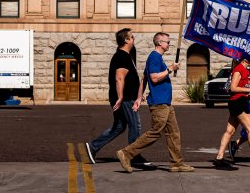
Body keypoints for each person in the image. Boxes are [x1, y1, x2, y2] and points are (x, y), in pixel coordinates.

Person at [115, 32, 195, 173]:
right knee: (155, 132)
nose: (169, 44)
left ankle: (176, 163)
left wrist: (139, 97)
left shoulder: (157, 58)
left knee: (173, 133)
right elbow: (153, 78)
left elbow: (144, 78)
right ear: (159, 43)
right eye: (167, 42)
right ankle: (126, 153)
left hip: (166, 103)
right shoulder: (154, 57)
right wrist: (170, 69)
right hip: (159, 103)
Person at [84, 28, 151, 168]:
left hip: (127, 97)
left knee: (119, 127)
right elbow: (119, 78)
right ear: (126, 40)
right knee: (135, 125)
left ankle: (92, 147)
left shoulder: (125, 56)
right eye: (132, 36)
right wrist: (120, 97)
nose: (134, 38)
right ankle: (133, 156)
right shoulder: (122, 56)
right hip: (126, 99)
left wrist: (139, 95)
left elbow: (129, 79)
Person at [213, 55, 250, 169]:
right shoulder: (239, 69)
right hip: (238, 103)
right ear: (245, 59)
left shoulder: (245, 70)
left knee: (230, 130)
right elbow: (233, 88)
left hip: (238, 102)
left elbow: (240, 87)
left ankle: (219, 157)